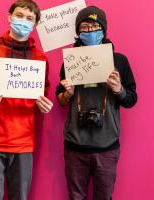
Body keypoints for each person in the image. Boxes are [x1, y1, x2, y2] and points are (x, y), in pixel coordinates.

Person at [0, 0, 53, 200]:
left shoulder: (40, 59)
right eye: (19, 16)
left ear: (35, 24)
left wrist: (44, 105)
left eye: (30, 18)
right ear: (9, 17)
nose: (23, 21)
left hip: (23, 142)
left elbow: (43, 92)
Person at [56, 5, 137, 200]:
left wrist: (119, 90)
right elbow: (60, 100)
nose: (90, 31)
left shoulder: (120, 61)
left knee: (104, 197)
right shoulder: (70, 62)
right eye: (85, 27)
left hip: (107, 146)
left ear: (103, 29)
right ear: (78, 32)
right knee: (76, 196)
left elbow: (132, 99)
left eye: (95, 27)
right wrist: (68, 94)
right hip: (75, 145)